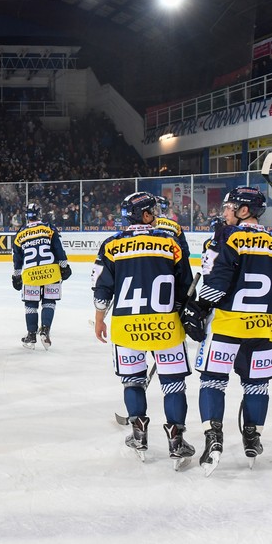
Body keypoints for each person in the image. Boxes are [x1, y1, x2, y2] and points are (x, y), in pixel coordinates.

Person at [92, 191, 195, 467]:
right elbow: (185, 285)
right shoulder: (170, 243)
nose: (158, 216)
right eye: (154, 212)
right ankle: (176, 439)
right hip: (166, 326)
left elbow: (102, 287)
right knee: (173, 385)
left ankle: (139, 434)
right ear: (146, 215)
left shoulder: (111, 245)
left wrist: (100, 317)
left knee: (132, 381)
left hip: (127, 328)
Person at [181, 186, 272, 475]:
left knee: (212, 381)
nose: (225, 212)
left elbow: (215, 282)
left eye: (229, 207)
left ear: (244, 210)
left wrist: (197, 307)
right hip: (264, 329)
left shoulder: (226, 238)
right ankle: (252, 437)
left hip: (225, 326)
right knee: (257, 384)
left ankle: (214, 440)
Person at [12, 203, 71, 350]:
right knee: (49, 302)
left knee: (31, 305)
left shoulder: (20, 233)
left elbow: (17, 258)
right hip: (51, 272)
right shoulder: (48, 228)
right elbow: (58, 248)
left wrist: (16, 276)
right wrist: (64, 266)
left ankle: (31, 335)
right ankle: (45, 329)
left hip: (31, 273)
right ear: (40, 214)